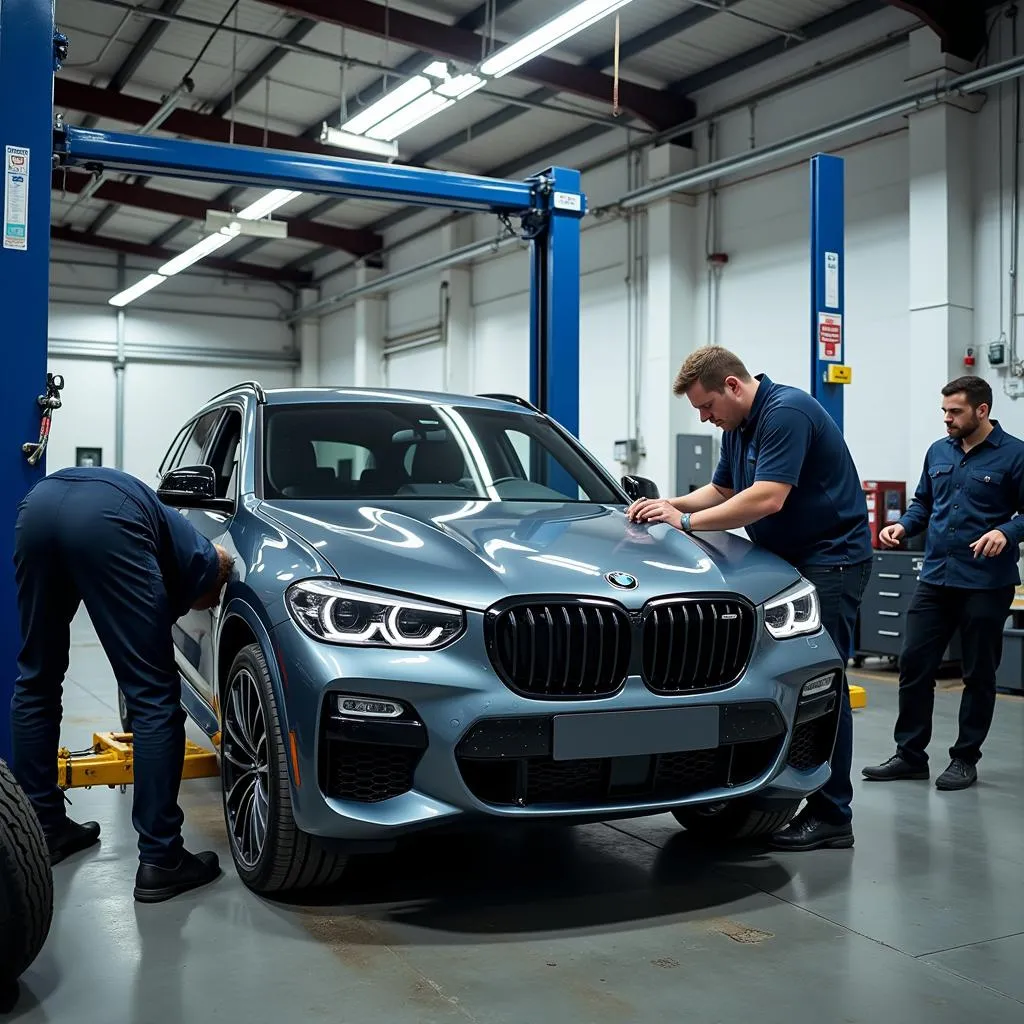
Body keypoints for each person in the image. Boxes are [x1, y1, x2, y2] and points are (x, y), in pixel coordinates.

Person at [627, 346, 873, 851]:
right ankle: (774, 786)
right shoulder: (737, 428)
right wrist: (664, 505)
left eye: (707, 406)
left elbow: (766, 497)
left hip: (832, 562)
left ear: (733, 386)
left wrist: (686, 523)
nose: (704, 417)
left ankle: (833, 814)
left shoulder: (787, 412)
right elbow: (720, 491)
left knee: (822, 684)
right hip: (786, 565)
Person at [9, 465, 234, 903]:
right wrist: (220, 572)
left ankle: (45, 830)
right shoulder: (192, 545)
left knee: (37, 677)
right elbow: (212, 573)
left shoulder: (156, 513)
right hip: (106, 519)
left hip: (36, 508)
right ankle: (162, 859)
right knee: (152, 696)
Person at [862, 376, 1024, 790]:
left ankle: (965, 758)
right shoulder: (938, 451)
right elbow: (924, 504)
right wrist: (902, 526)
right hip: (935, 577)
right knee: (914, 665)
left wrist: (1007, 531)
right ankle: (910, 755)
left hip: (986, 583)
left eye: (955, 412)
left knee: (978, 673)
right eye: (944, 411)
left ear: (982, 410)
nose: (947, 419)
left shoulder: (1014, 455)